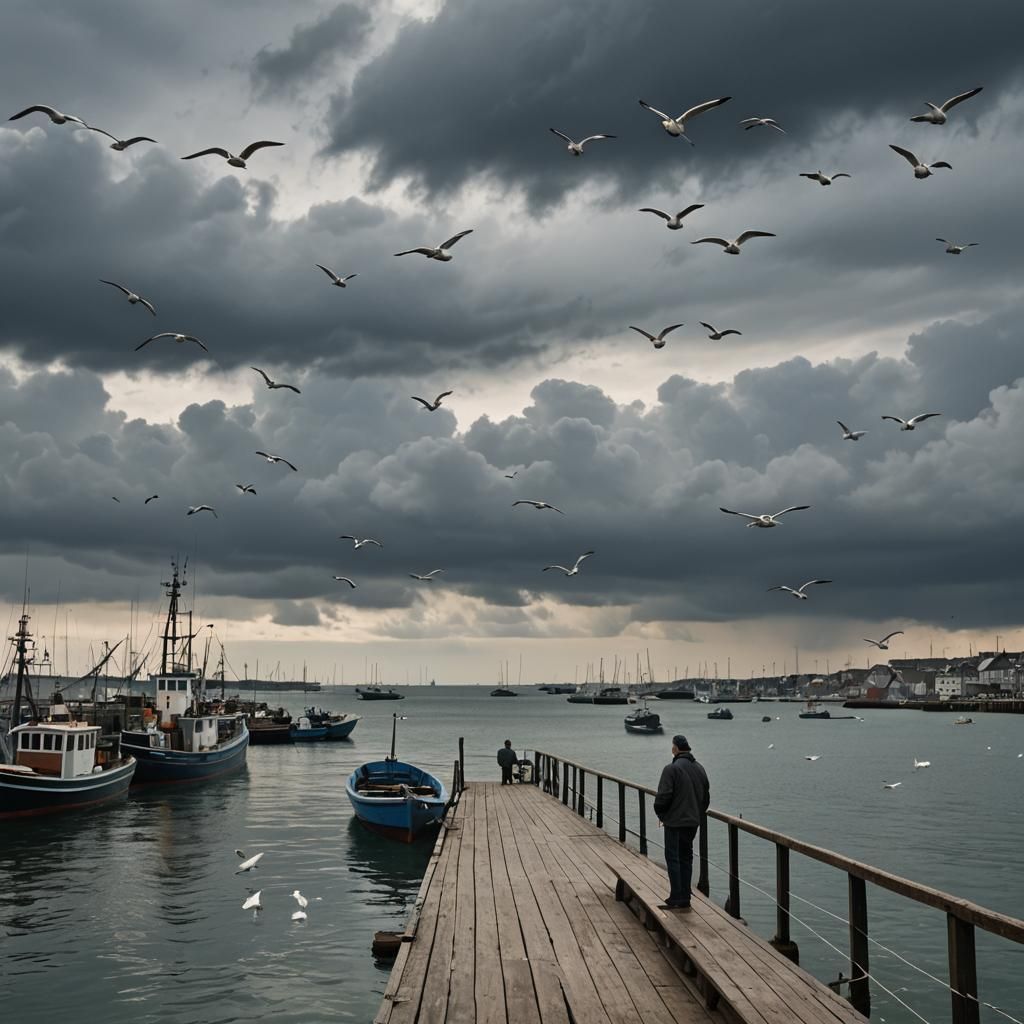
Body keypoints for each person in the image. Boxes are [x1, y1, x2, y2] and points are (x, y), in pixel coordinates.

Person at [653, 734, 710, 912]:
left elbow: (663, 796)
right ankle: (685, 896)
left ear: (675, 749)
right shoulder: (700, 768)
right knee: (686, 857)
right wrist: (697, 815)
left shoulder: (671, 769)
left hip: (675, 821)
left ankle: (676, 896)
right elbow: (706, 797)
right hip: (693, 822)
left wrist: (661, 814)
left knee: (673, 857)